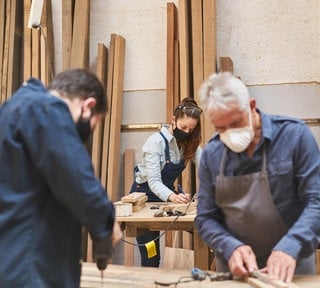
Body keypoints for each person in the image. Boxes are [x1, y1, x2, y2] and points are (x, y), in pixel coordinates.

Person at [0, 68, 122, 288]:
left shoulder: (11, 110)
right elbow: (78, 181)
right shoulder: (45, 109)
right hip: (33, 269)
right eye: (93, 126)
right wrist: (106, 221)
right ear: (88, 106)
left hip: (13, 261)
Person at [195, 72, 320, 283]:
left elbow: (316, 201)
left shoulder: (295, 137)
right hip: (237, 269)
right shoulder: (212, 154)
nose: (229, 134)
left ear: (251, 106)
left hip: (291, 266)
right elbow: (205, 218)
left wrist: (290, 246)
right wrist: (230, 246)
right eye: (220, 128)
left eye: (235, 123)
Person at [130, 97, 203, 267]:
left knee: (203, 237)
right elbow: (154, 182)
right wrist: (172, 196)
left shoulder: (188, 141)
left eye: (191, 129)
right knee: (151, 256)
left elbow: (206, 166)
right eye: (183, 127)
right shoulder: (154, 142)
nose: (186, 132)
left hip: (166, 199)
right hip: (144, 200)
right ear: (173, 120)